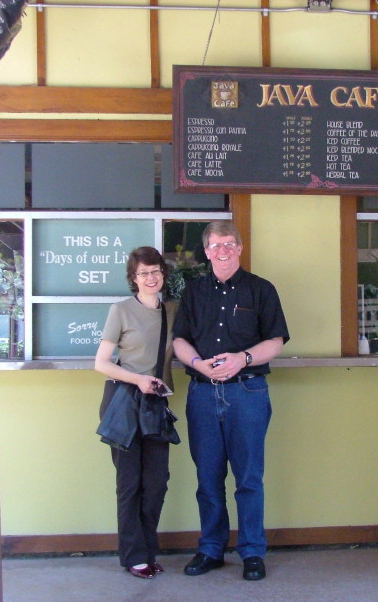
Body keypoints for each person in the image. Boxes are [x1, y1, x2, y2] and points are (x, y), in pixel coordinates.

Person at [172, 221, 289, 581]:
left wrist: (244, 358)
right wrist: (197, 364)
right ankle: (211, 548)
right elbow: (179, 339)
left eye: (228, 244)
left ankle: (252, 552)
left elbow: (276, 340)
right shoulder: (193, 292)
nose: (222, 251)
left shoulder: (261, 289)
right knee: (208, 478)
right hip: (202, 393)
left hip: (247, 392)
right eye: (215, 245)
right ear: (207, 252)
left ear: (239, 248)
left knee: (249, 478)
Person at [94, 246, 177, 579]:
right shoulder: (121, 310)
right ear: (134, 277)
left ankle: (147, 550)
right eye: (144, 272)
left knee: (157, 482)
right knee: (129, 483)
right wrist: (138, 379)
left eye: (155, 271)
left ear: (163, 274)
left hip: (156, 404)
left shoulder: (173, 311)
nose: (151, 277)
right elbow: (101, 363)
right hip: (124, 402)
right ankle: (134, 556)